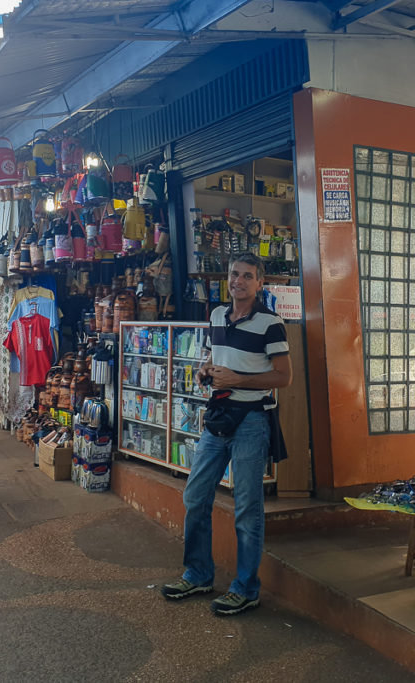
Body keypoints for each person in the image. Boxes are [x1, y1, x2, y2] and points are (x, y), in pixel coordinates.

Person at [160, 253, 291, 616]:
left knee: (247, 508)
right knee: (195, 496)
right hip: (218, 418)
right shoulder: (217, 316)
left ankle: (247, 588)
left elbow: (284, 377)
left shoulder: (271, 323)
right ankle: (198, 573)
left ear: (259, 284)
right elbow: (214, 358)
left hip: (251, 420)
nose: (239, 281)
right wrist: (206, 372)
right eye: (235, 274)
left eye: (248, 276)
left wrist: (239, 381)